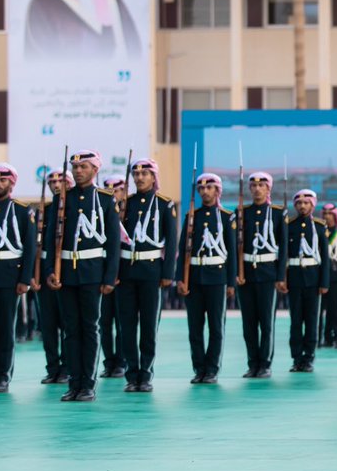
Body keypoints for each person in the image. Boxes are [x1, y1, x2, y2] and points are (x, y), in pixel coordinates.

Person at [43, 150, 120, 402]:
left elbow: (112, 243)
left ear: (95, 170)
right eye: (75, 167)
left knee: (89, 328)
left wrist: (109, 278)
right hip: (66, 271)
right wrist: (50, 272)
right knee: (71, 330)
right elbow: (49, 241)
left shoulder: (106, 200)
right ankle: (73, 382)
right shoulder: (63, 199)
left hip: (92, 273)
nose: (77, 171)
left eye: (83, 167)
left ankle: (87, 383)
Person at [117, 159, 178, 392]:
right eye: (136, 174)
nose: (139, 178)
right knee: (128, 325)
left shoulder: (164, 204)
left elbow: (171, 242)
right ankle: (132, 375)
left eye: (145, 173)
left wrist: (167, 274)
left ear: (154, 177)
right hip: (127, 271)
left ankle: (146, 373)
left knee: (149, 326)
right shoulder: (126, 205)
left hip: (152, 271)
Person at [0, 164, 37, 392]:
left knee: (5, 329)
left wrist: (24, 279)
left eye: (2, 180)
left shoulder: (23, 211)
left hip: (8, 276)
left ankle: (3, 376)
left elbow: (30, 248)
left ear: (12, 183)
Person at [178, 173, 237, 385]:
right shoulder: (192, 216)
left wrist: (231, 282)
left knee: (215, 327)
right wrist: (181, 279)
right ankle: (199, 368)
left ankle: (211, 369)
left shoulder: (226, 217)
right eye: (201, 189)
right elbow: (182, 249)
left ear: (218, 190)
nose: (205, 192)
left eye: (209, 188)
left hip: (217, 277)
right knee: (195, 328)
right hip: (194, 277)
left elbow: (231, 252)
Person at [238, 172, 287, 379]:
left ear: (268, 189)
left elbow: (283, 247)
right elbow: (236, 246)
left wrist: (281, 275)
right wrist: (237, 273)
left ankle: (265, 364)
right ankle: (252, 363)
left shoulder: (278, 213)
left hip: (268, 272)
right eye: (253, 185)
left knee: (266, 322)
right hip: (246, 273)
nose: (257, 189)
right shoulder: (243, 213)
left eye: (261, 185)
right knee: (248, 323)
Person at [283, 189, 329, 373]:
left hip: (313, 279)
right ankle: (296, 358)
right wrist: (283, 279)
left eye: (306, 203)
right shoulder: (289, 225)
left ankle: (308, 358)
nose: (302, 206)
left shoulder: (319, 226)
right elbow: (284, 255)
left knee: (311, 320)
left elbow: (325, 257)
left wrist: (324, 282)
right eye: (299, 203)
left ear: (312, 205)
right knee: (295, 321)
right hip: (294, 278)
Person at [37, 169, 72, 385]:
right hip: (44, 272)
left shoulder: (72, 208)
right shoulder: (45, 210)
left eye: (61, 180)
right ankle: (53, 368)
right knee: (48, 325)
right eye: (52, 181)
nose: (56, 184)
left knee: (67, 323)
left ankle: (67, 367)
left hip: (66, 272)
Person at [97, 174, 128, 379]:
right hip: (103, 272)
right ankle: (109, 362)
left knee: (123, 322)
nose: (113, 193)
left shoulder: (132, 212)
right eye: (109, 189)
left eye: (116, 189)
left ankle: (122, 360)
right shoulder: (100, 211)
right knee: (104, 322)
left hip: (125, 273)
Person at [320, 204, 337, 349]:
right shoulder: (320, 231)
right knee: (320, 309)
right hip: (321, 275)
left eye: (330, 213)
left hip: (336, 276)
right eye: (325, 213)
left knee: (335, 308)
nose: (327, 216)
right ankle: (323, 336)